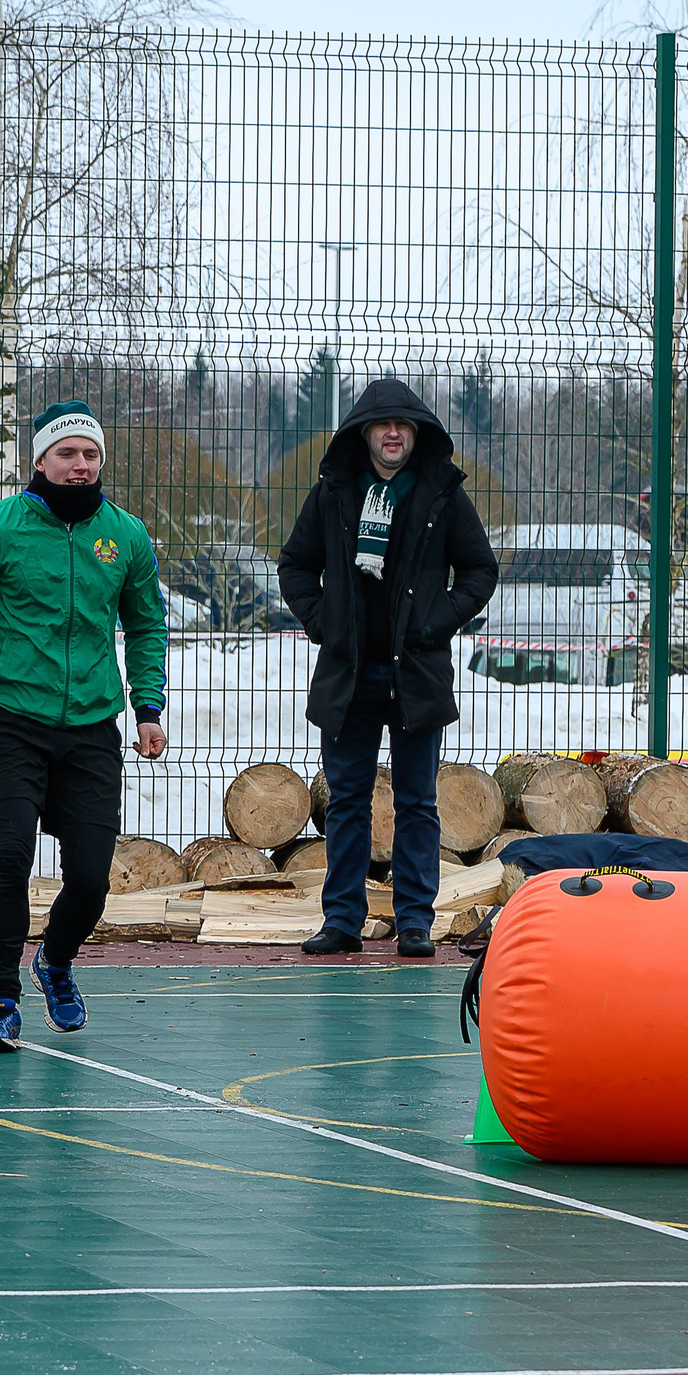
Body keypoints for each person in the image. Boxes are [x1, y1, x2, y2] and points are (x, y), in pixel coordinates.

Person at [0, 399, 167, 1051]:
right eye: (67, 453)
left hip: (91, 727)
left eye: (90, 454)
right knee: (12, 856)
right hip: (9, 722)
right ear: (40, 460)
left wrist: (148, 707)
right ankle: (1, 1002)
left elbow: (145, 624)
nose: (80, 465)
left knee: (89, 875)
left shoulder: (127, 536)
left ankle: (54, 960)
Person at [276, 379, 497, 958]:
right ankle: (342, 919)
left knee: (417, 801)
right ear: (363, 434)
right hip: (349, 674)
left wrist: (437, 621)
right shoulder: (334, 492)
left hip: (415, 674)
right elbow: (296, 566)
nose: (393, 434)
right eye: (382, 425)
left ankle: (415, 920)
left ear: (417, 434)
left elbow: (479, 570)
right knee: (347, 800)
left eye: (402, 426)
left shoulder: (441, 494)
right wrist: (326, 623)